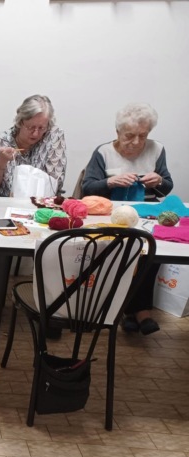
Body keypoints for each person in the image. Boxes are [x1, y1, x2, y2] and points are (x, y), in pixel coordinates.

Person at [82, 102, 173, 335]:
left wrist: (159, 181)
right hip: (112, 217)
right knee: (125, 252)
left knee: (151, 254)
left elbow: (167, 186)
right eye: (129, 136)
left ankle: (132, 312)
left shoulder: (157, 149)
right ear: (118, 132)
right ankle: (139, 313)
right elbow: (87, 188)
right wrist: (110, 182)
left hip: (147, 216)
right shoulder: (103, 152)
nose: (136, 142)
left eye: (143, 135)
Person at [0, 94, 67, 322]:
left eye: (41, 128)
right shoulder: (3, 139)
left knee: (57, 245)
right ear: (20, 121)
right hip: (3, 205)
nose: (36, 134)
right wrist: (1, 162)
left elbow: (55, 181)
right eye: (30, 127)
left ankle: (51, 309)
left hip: (40, 207)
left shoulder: (54, 137)